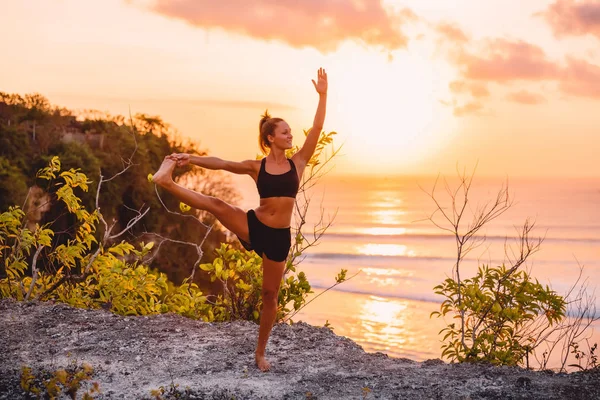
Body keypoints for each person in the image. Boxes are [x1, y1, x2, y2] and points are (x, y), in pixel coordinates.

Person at [152, 68, 328, 371]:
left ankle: (260, 353)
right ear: (270, 138)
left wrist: (323, 96)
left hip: (278, 238)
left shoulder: (297, 163)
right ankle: (166, 182)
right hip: (255, 225)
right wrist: (190, 157)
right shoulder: (255, 167)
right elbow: (222, 163)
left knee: (270, 296)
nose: (290, 135)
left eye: (290, 132)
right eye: (284, 132)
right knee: (217, 204)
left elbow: (316, 128)